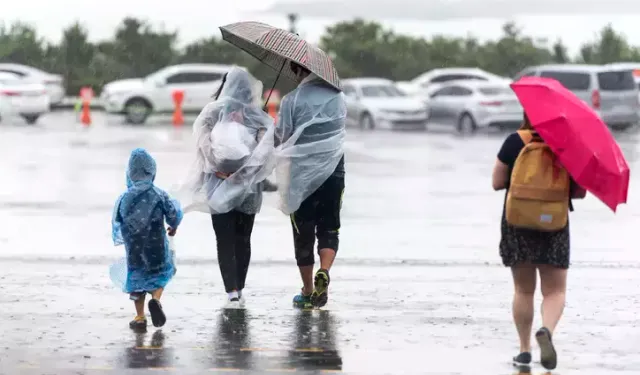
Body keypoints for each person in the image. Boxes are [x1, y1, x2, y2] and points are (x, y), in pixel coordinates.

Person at [492, 114, 586, 370]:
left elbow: (497, 182)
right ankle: (546, 330)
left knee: (524, 290)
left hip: (517, 223)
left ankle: (524, 350)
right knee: (554, 291)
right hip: (554, 225)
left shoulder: (514, 142)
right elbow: (579, 191)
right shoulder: (567, 145)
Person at [180, 66, 275, 308]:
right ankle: (239, 286)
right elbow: (264, 151)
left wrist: (220, 167)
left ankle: (231, 289)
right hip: (249, 188)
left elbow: (203, 145)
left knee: (224, 239)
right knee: (244, 238)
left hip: (218, 184)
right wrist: (244, 173)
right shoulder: (257, 114)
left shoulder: (212, 114)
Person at [275, 61, 346, 309]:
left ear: (297, 71)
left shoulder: (291, 100)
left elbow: (281, 137)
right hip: (333, 172)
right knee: (329, 227)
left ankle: (307, 291)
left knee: (303, 231)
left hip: (301, 176)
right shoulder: (338, 97)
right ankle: (324, 270)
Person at [112, 148, 184, 329]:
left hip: (135, 248)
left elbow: (117, 220)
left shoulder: (125, 198)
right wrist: (174, 225)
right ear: (152, 171)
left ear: (130, 173)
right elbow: (173, 214)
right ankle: (156, 300)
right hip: (156, 245)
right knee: (161, 272)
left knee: (136, 277)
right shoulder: (159, 194)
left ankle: (140, 317)